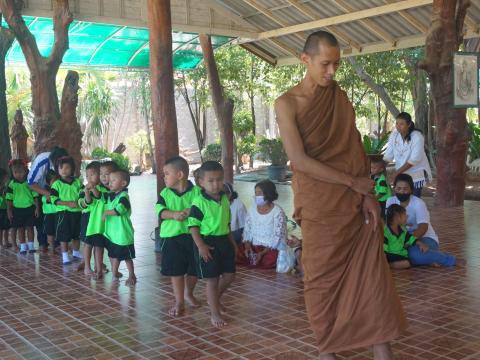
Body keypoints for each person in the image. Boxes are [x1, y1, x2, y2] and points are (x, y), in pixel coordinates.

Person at [274, 30, 406, 359]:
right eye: (325, 64)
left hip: (353, 203)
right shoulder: (286, 103)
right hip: (321, 205)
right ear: (305, 60)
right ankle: (328, 351)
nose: (332, 72)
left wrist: (367, 195)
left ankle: (381, 350)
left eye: (336, 64)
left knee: (371, 277)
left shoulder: (339, 97)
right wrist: (352, 182)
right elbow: (299, 160)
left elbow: (353, 146)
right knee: (320, 281)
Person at [188, 161, 236, 328]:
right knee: (212, 280)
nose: (216, 184)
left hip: (224, 241)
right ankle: (214, 312)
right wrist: (201, 246)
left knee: (230, 276)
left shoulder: (224, 198)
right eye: (211, 180)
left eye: (219, 179)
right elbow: (193, 227)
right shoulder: (198, 202)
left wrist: (232, 243)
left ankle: (214, 300)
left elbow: (227, 223)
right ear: (201, 182)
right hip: (207, 242)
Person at [155, 156, 201, 317]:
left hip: (193, 237)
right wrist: (173, 214)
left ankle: (189, 293)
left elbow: (201, 207)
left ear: (180, 175)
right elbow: (160, 211)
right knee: (176, 271)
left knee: (195, 269)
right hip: (171, 238)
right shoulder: (165, 193)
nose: (164, 177)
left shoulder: (197, 191)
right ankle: (179, 301)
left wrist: (190, 211)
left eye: (167, 174)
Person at [386, 174, 457, 267]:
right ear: (394, 189)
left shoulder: (418, 203)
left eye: (405, 189)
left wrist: (408, 242)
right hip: (401, 239)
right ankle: (429, 259)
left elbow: (423, 227)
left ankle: (450, 260)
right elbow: (390, 223)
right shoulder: (390, 201)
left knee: (413, 254)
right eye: (398, 188)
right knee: (395, 251)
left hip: (424, 238)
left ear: (411, 190)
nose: (402, 192)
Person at [78, 161, 118, 278]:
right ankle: (87, 267)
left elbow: (102, 197)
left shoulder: (105, 188)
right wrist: (87, 193)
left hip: (100, 220)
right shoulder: (85, 188)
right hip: (88, 218)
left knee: (99, 244)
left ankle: (98, 266)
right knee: (88, 243)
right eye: (87, 176)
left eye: (93, 174)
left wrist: (94, 190)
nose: (90, 178)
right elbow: (83, 203)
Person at [236, 180, 288, 270]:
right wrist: (248, 246)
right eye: (255, 193)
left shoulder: (278, 212)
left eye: (260, 193)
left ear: (268, 194)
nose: (256, 196)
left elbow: (278, 236)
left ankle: (260, 258)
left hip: (270, 249)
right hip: (254, 246)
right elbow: (247, 230)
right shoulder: (252, 209)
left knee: (269, 261)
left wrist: (262, 253)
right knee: (238, 254)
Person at [28, 146, 69, 252]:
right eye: (59, 163)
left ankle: (56, 243)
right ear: (55, 160)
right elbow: (31, 183)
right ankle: (43, 243)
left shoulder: (66, 162)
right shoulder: (43, 160)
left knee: (57, 217)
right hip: (39, 189)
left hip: (55, 192)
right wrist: (47, 193)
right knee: (42, 218)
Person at [383, 112, 432, 197]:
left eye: (401, 124)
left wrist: (396, 174)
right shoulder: (394, 135)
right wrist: (378, 167)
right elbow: (388, 156)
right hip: (401, 173)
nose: (398, 126)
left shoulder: (417, 136)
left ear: (409, 124)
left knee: (413, 199)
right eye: (397, 123)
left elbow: (414, 160)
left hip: (415, 173)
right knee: (401, 199)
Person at [103, 169, 136, 285]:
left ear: (123, 183)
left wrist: (106, 213)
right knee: (114, 255)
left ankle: (132, 275)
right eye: (109, 180)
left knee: (127, 257)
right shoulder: (110, 196)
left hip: (123, 234)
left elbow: (119, 210)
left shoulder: (124, 196)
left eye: (113, 180)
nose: (110, 182)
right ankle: (114, 274)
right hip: (113, 234)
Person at [50, 156, 83, 265]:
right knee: (64, 236)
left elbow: (83, 194)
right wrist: (67, 203)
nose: (63, 170)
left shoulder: (78, 182)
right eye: (61, 168)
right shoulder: (56, 184)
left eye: (67, 168)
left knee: (76, 234)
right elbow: (54, 200)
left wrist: (80, 201)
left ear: (72, 169)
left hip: (77, 213)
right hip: (63, 214)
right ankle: (65, 256)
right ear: (57, 170)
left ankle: (76, 252)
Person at [6, 159, 40, 254]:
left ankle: (31, 246)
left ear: (25, 171)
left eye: (20, 172)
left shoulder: (29, 183)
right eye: (15, 172)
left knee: (30, 227)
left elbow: (35, 196)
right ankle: (23, 247)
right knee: (20, 228)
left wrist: (37, 208)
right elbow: (9, 199)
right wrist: (9, 211)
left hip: (30, 209)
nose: (18, 174)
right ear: (12, 173)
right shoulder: (12, 184)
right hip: (17, 210)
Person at [384, 205, 416, 270]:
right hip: (388, 254)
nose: (407, 216)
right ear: (397, 217)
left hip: (399, 254)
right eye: (404, 215)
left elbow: (410, 238)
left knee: (409, 262)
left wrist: (420, 243)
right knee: (408, 263)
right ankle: (386, 265)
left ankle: (387, 265)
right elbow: (383, 250)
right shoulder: (385, 231)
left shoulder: (403, 229)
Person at [42, 170, 59, 253]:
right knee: (50, 232)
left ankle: (58, 247)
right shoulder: (46, 191)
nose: (56, 182)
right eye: (54, 180)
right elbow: (47, 199)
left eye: (57, 180)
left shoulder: (60, 189)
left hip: (58, 213)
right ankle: (52, 248)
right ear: (48, 182)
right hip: (49, 215)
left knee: (59, 231)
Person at [0, 168, 11, 248]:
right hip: (1, 208)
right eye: (6, 176)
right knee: (1, 227)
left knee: (6, 226)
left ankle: (6, 242)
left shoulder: (7, 185)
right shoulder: (3, 186)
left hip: (6, 208)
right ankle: (1, 243)